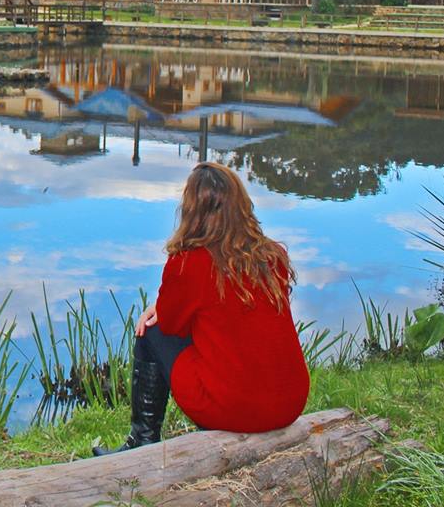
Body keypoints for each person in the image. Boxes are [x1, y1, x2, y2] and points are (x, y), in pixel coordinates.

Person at [93, 161, 309, 455]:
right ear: (241, 205)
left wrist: (157, 309)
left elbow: (170, 327)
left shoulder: (188, 263)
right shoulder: (273, 255)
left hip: (239, 411)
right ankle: (141, 441)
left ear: (191, 210)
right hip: (289, 403)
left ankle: (141, 442)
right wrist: (165, 304)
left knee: (151, 333)